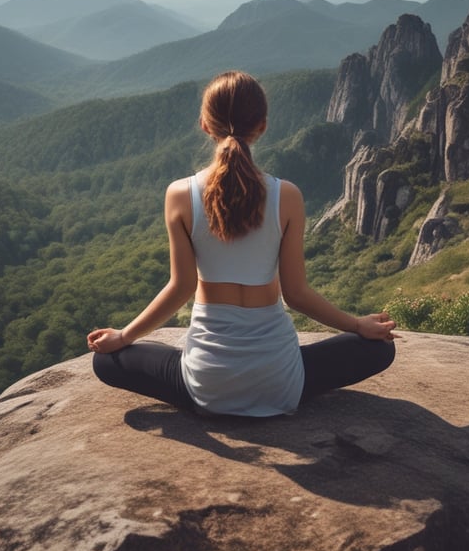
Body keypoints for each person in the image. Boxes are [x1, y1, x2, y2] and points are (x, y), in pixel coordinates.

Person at [88, 70, 396, 416]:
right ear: (262, 126)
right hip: (281, 383)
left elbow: (181, 287)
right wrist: (358, 325)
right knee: (379, 349)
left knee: (106, 361)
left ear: (205, 124)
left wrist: (125, 336)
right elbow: (296, 295)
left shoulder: (179, 195)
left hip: (206, 386)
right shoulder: (287, 196)